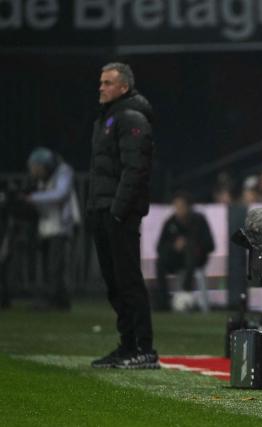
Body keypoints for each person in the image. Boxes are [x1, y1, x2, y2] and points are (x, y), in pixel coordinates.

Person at [87, 62, 158, 369]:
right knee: (115, 282)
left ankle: (143, 348)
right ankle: (128, 345)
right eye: (101, 82)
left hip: (119, 212)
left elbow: (135, 169)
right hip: (105, 209)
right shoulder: (111, 117)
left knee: (127, 281)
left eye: (107, 83)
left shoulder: (129, 116)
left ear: (123, 87)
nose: (100, 87)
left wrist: (116, 211)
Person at [26, 147, 80, 310]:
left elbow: (60, 194)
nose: (34, 172)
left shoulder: (63, 171)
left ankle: (54, 300)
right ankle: (61, 301)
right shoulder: (44, 178)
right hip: (48, 226)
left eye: (37, 167)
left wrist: (32, 198)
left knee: (56, 265)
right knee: (51, 265)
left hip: (62, 226)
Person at [155, 192, 215, 311]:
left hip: (197, 259)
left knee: (190, 249)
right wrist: (173, 246)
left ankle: (186, 291)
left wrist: (190, 243)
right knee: (159, 262)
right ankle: (163, 301)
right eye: (176, 206)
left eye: (181, 206)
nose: (178, 210)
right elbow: (160, 247)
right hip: (176, 259)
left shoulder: (199, 220)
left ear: (188, 206)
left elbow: (210, 245)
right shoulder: (170, 222)